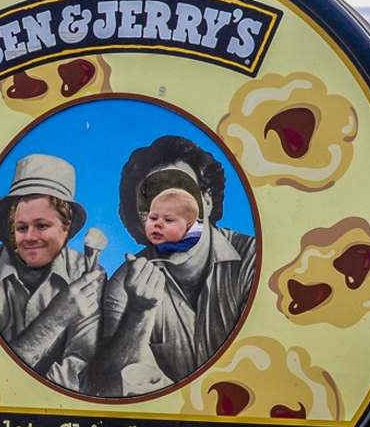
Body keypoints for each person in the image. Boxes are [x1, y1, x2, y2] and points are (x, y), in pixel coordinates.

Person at [85, 136, 256, 397]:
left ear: (207, 200)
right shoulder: (125, 285)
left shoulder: (252, 260)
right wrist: (138, 313)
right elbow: (103, 389)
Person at [0, 153, 104, 391]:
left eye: (42, 226)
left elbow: (80, 374)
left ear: (67, 228)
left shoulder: (86, 274)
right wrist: (56, 317)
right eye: (21, 227)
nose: (30, 238)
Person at [144, 187, 203, 253]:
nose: (157, 224)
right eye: (153, 218)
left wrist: (164, 248)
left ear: (189, 224)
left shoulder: (198, 239)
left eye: (168, 220)